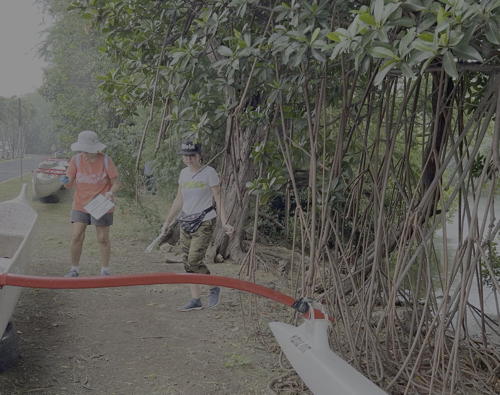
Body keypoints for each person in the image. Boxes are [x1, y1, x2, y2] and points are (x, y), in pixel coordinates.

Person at [162, 140, 234, 311]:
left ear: (199, 155)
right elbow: (179, 199)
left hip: (204, 221)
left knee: (194, 259)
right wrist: (167, 221)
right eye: (185, 156)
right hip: (185, 221)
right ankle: (195, 299)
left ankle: (213, 285)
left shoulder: (209, 173)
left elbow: (218, 198)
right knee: (187, 262)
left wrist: (225, 222)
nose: (188, 159)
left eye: (192, 155)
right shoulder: (183, 174)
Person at [62, 130, 120, 277]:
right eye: (82, 150)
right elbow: (69, 183)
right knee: (76, 236)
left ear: (96, 148)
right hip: (80, 204)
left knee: (102, 238)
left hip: (100, 203)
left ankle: (105, 270)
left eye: (88, 150)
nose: (85, 153)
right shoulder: (75, 160)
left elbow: (117, 183)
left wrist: (110, 193)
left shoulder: (106, 160)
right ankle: (74, 269)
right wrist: (65, 181)